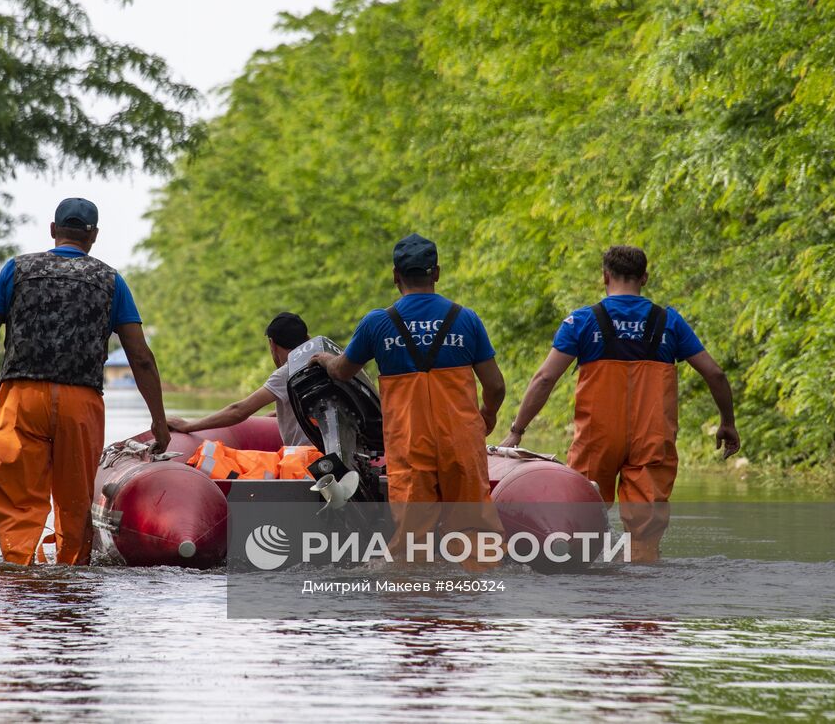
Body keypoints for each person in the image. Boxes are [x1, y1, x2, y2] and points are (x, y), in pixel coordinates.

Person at [499, 244, 739, 563]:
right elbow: (715, 373)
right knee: (644, 536)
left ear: (604, 276)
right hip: (653, 440)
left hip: (596, 441)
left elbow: (545, 378)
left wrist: (518, 430)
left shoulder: (583, 321)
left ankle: (584, 595)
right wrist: (727, 422)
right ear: (645, 278)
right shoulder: (669, 322)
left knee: (578, 520)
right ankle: (641, 602)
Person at [0, 197, 170, 565]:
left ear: (53, 230)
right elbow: (140, 356)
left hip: (20, 397)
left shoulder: (16, 270)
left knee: (16, 502)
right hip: (81, 400)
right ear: (93, 236)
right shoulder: (111, 280)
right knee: (74, 504)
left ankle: (17, 580)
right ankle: (70, 591)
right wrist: (158, 419)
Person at [311, 234, 505, 504]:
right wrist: (488, 415)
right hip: (461, 443)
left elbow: (342, 371)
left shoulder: (377, 323)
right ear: (436, 273)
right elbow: (495, 386)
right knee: (472, 529)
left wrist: (324, 360)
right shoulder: (466, 319)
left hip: (410, 444)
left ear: (395, 275)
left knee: (414, 535)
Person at [166, 312, 313, 448]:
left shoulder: (286, 372)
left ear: (272, 344)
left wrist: (188, 425)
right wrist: (275, 415)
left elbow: (238, 411)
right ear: (307, 338)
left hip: (305, 461)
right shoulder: (322, 361)